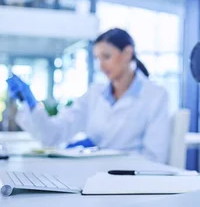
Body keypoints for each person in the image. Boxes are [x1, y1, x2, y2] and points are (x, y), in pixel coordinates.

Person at [7, 28, 171, 163]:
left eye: (106, 57)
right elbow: (54, 135)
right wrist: (31, 105)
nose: (101, 66)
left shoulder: (155, 96)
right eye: (97, 58)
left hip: (131, 182)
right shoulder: (95, 93)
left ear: (127, 53)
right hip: (92, 175)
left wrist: (104, 156)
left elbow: (154, 158)